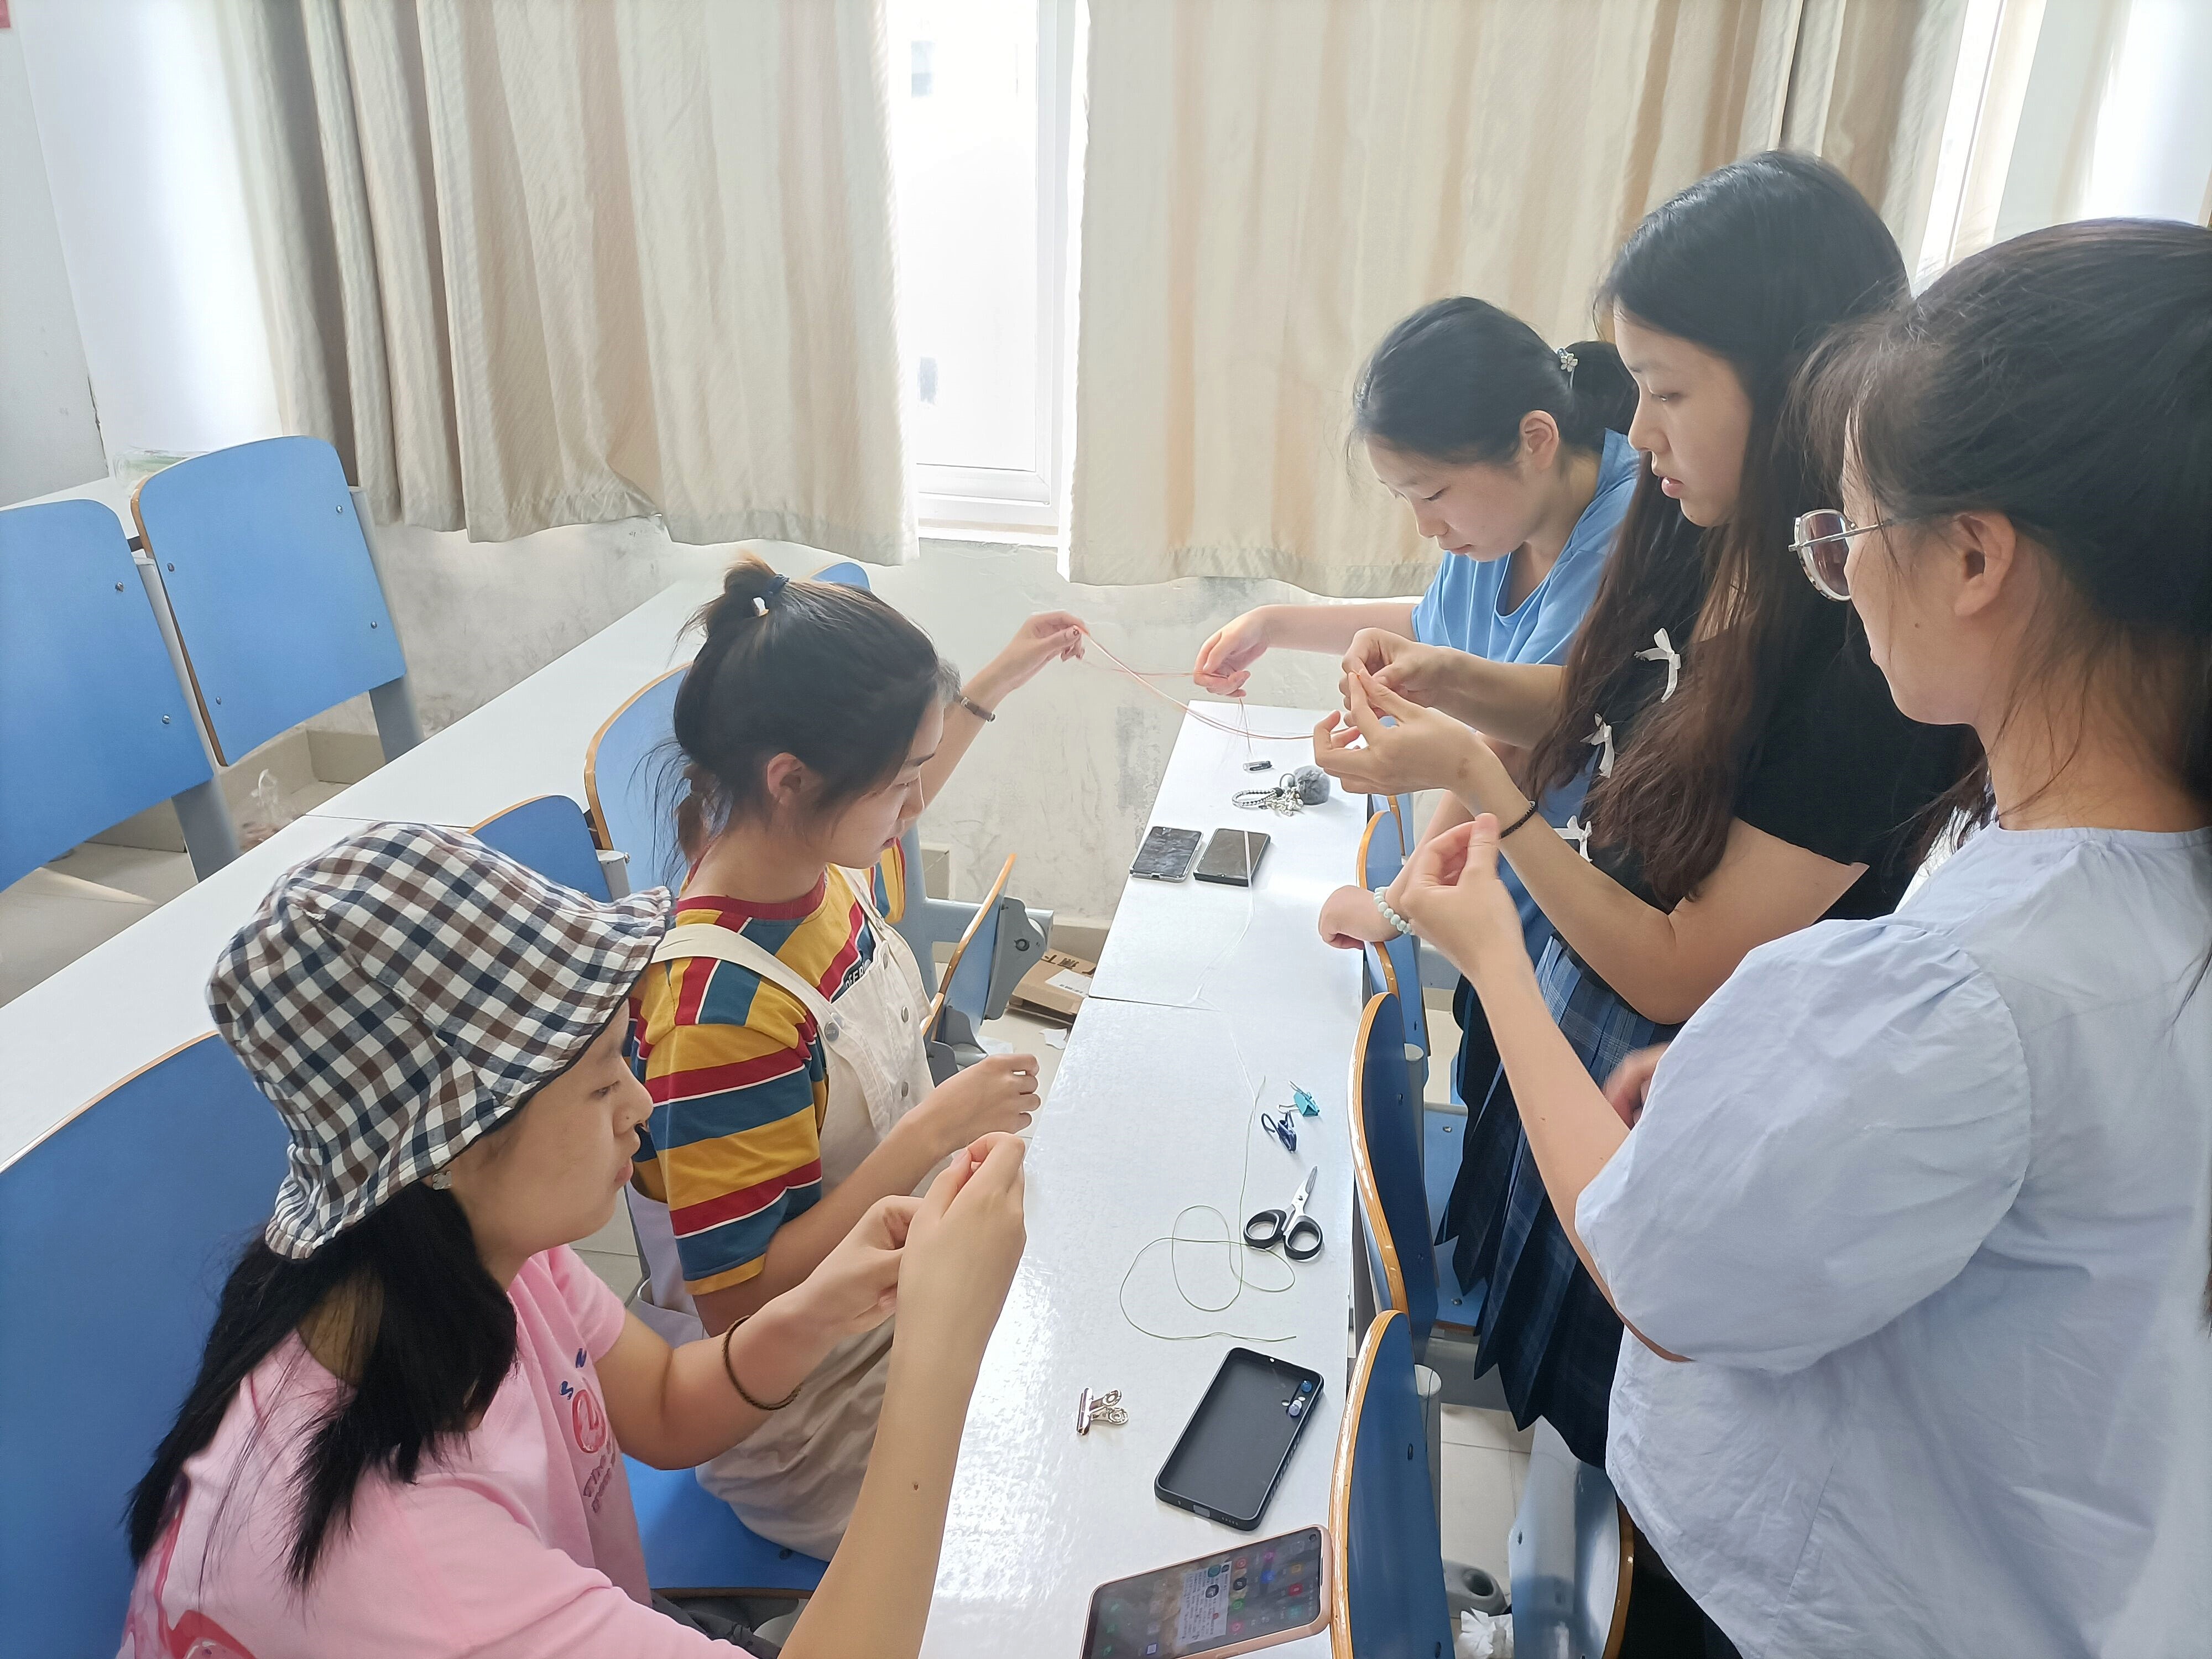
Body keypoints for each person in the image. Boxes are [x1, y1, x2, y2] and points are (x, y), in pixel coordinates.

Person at [1387, 218, 2212, 1657]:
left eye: (1853, 533)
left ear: (1973, 558)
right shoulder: (2117, 902)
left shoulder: (1959, 987)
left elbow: (1655, 1271)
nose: (1836, 569)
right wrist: (1772, 1102)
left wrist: (1494, 957)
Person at [1312, 153, 1965, 1469]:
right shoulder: (1690, 525)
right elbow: (1602, 699)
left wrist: (1488, 795)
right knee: (1541, 1351)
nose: (1641, 434)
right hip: (1580, 1028)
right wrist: (1449, 682)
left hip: (1662, 1072)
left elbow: (1676, 966)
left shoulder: (1863, 655)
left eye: (1668, 392)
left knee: (1627, 1428)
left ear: (1796, 381)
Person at [121, 823, 1029, 1657]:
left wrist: (819, 1309)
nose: (641, 1103)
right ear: (450, 1150)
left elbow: (664, 1403)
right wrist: (938, 1354)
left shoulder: (472, 1256)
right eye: (601, 1084)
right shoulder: (402, 1572)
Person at [625, 557, 1081, 1554]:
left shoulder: (804, 861)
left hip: (895, 1296)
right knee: (1066, 1491)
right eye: (902, 782)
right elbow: (743, 1305)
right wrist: (927, 1132)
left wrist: (992, 684)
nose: (914, 810)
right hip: (809, 1411)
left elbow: (884, 806)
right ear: (793, 780)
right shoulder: (719, 1019)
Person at [1191, 297, 1640, 1103]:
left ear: (1536, 440)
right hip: (1510, 885)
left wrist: (1393, 907)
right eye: (1406, 499)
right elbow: (1440, 633)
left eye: (1432, 494)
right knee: (1486, 1077)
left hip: (1586, 916)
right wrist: (1275, 624)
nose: (1426, 527)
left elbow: (1525, 737)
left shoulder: (1629, 524)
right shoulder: (1501, 523)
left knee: (1532, 1112)